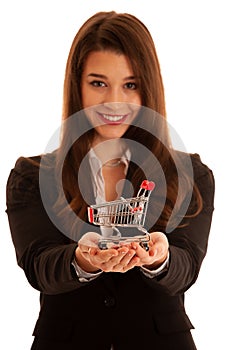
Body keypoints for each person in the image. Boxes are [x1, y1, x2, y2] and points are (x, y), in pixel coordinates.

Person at [6, 11, 215, 350]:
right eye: (98, 83)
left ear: (148, 87)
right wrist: (83, 259)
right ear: (78, 86)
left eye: (130, 85)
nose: (114, 102)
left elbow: (186, 269)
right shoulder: (32, 176)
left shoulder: (189, 174)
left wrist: (159, 258)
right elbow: (38, 266)